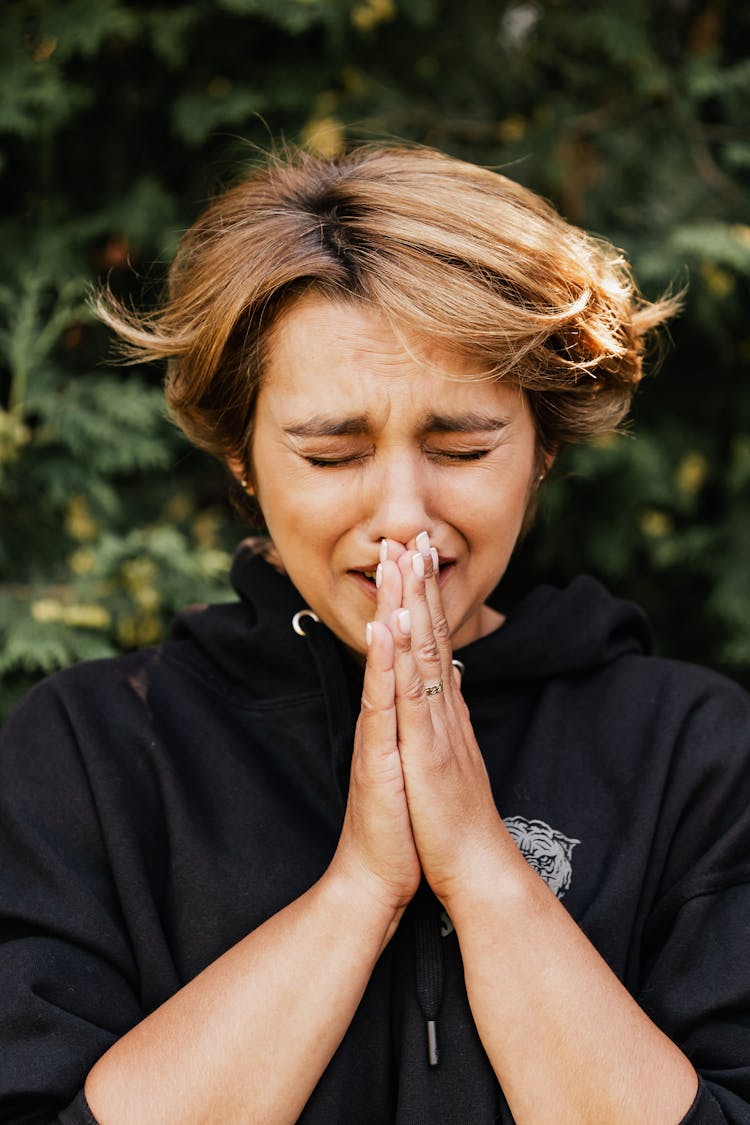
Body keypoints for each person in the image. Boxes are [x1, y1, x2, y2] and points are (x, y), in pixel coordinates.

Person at [1, 143, 749, 1125]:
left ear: (544, 446)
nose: (403, 511)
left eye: (462, 446)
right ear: (241, 456)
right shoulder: (92, 753)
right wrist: (360, 888)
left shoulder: (690, 748)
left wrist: (482, 869)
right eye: (332, 452)